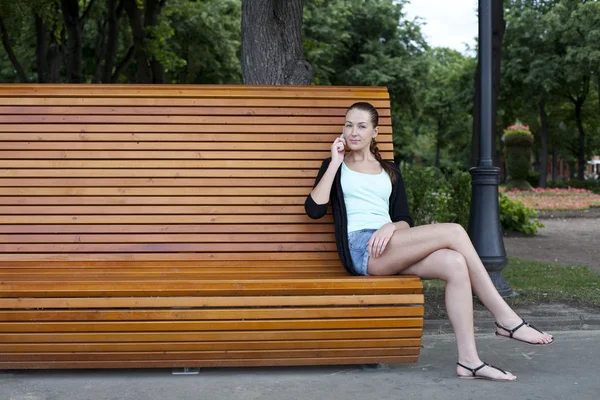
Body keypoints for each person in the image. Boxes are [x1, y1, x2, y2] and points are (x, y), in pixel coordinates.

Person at [304, 102, 554, 382]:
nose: (353, 131)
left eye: (361, 126)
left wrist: (390, 226)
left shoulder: (390, 170)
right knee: (455, 231)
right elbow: (314, 210)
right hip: (362, 249)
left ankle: (469, 361)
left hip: (393, 242)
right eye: (348, 124)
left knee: (455, 263)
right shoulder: (335, 167)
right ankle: (506, 318)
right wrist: (335, 163)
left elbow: (404, 219)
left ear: (375, 132)